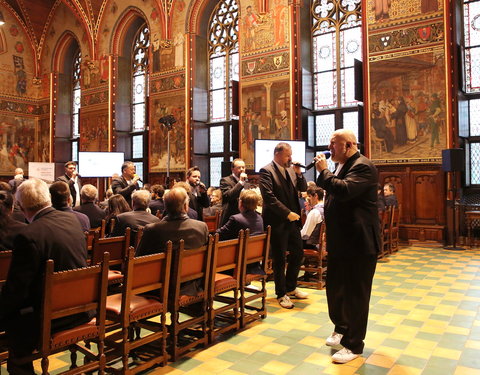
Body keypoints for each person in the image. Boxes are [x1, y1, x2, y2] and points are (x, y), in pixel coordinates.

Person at [0, 178, 90, 374]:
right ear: (47, 198)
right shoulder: (73, 220)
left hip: (51, 316)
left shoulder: (29, 234)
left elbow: (17, 289)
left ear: (21, 206)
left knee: (13, 324)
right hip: (82, 308)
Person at [314, 129, 380, 364]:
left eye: (334, 144)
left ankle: (354, 345)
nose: (329, 148)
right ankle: (341, 328)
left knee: (356, 294)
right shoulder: (343, 165)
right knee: (336, 289)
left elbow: (343, 191)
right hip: (342, 241)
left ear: (349, 145)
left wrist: (324, 171)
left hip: (359, 243)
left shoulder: (363, 166)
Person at [259, 142, 308, 309]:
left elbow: (303, 189)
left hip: (292, 221)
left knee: (298, 254)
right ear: (278, 154)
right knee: (279, 259)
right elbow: (269, 198)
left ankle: (291, 287)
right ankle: (281, 293)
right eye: (288, 155)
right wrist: (287, 213)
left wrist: (299, 174)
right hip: (277, 221)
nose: (291, 158)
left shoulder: (290, 170)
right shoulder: (266, 171)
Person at [136, 186, 209, 256]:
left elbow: (138, 258)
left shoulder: (152, 230)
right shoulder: (202, 227)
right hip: (193, 268)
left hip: (162, 269)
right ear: (185, 206)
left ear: (166, 206)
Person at [219, 158, 250, 225]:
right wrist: (241, 182)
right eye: (239, 167)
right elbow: (229, 196)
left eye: (243, 167)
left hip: (245, 218)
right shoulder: (225, 180)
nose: (242, 169)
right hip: (230, 217)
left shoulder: (247, 183)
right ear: (232, 169)